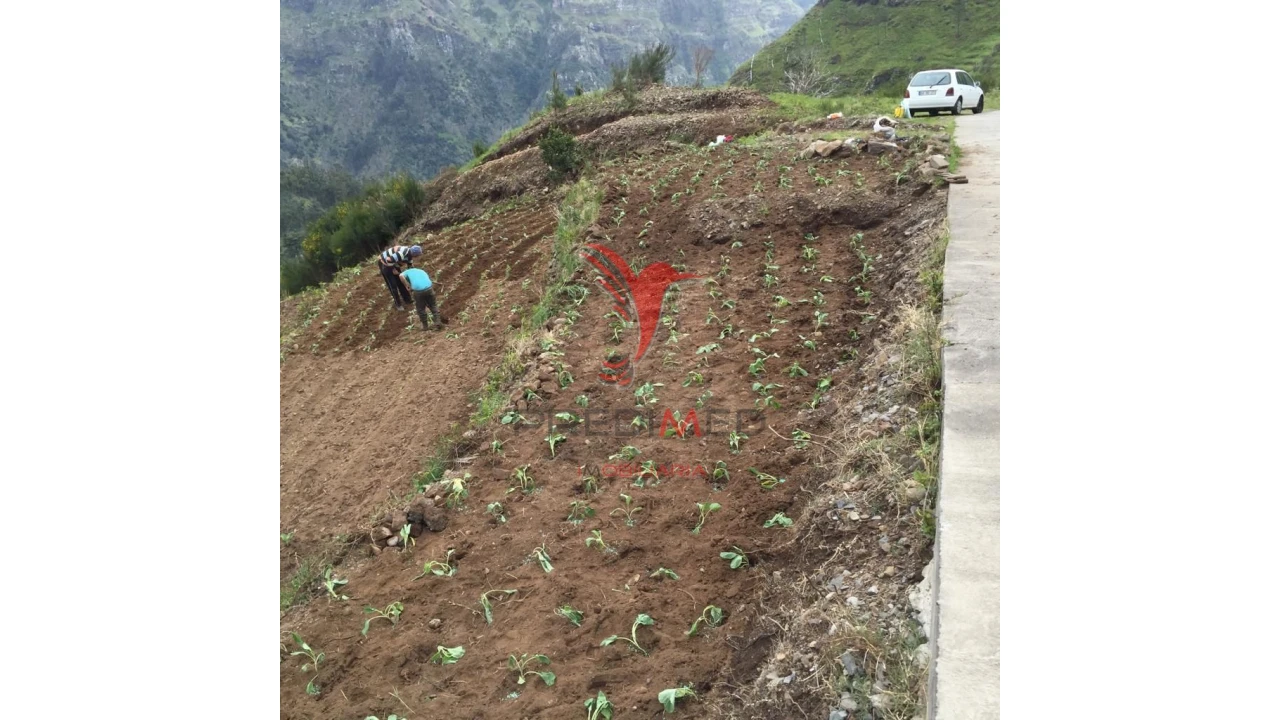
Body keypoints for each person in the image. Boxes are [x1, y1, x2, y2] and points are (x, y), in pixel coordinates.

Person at [399, 266, 447, 331]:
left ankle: (425, 326)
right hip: (429, 288)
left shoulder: (407, 272)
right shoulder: (421, 271)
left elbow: (400, 276)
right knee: (433, 305)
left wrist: (407, 285)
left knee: (420, 308)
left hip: (418, 291)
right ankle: (438, 322)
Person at [378, 244, 422, 310]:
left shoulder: (410, 256)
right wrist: (393, 269)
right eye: (417, 255)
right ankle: (398, 304)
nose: (417, 257)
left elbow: (410, 268)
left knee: (401, 281)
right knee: (393, 285)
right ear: (414, 254)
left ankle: (408, 299)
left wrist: (411, 281)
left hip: (393, 263)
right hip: (385, 263)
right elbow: (388, 260)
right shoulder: (402, 253)